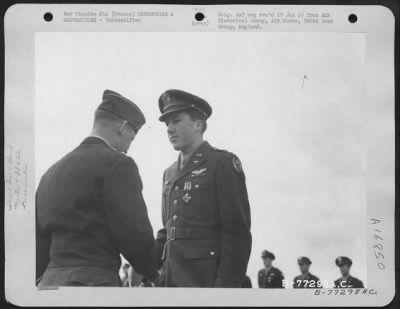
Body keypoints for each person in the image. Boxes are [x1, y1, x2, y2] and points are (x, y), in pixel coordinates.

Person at [36, 89, 158, 287]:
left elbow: (39, 243)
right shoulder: (119, 164)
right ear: (123, 127)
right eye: (132, 138)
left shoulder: (50, 174)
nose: (128, 147)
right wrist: (152, 269)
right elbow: (134, 233)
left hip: (49, 286)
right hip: (93, 284)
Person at [154, 89, 252, 287]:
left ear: (198, 124)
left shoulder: (222, 163)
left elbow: (237, 234)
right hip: (171, 281)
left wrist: (224, 293)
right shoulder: (169, 173)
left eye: (176, 121)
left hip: (205, 282)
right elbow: (169, 228)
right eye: (167, 123)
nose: (169, 129)